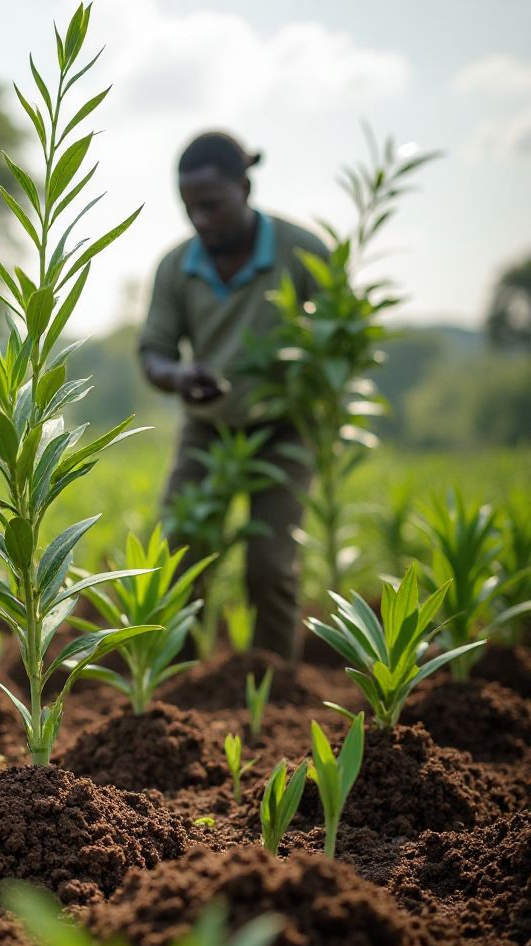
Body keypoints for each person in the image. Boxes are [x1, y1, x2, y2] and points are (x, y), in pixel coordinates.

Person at [138, 131, 328, 660]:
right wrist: (179, 377)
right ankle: (176, 687)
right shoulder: (177, 266)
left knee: (270, 565)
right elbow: (152, 351)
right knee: (178, 555)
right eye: (189, 208)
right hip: (208, 425)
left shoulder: (304, 252)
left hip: (285, 427)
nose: (201, 220)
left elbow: (339, 337)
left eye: (213, 205)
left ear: (245, 187)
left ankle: (272, 687)